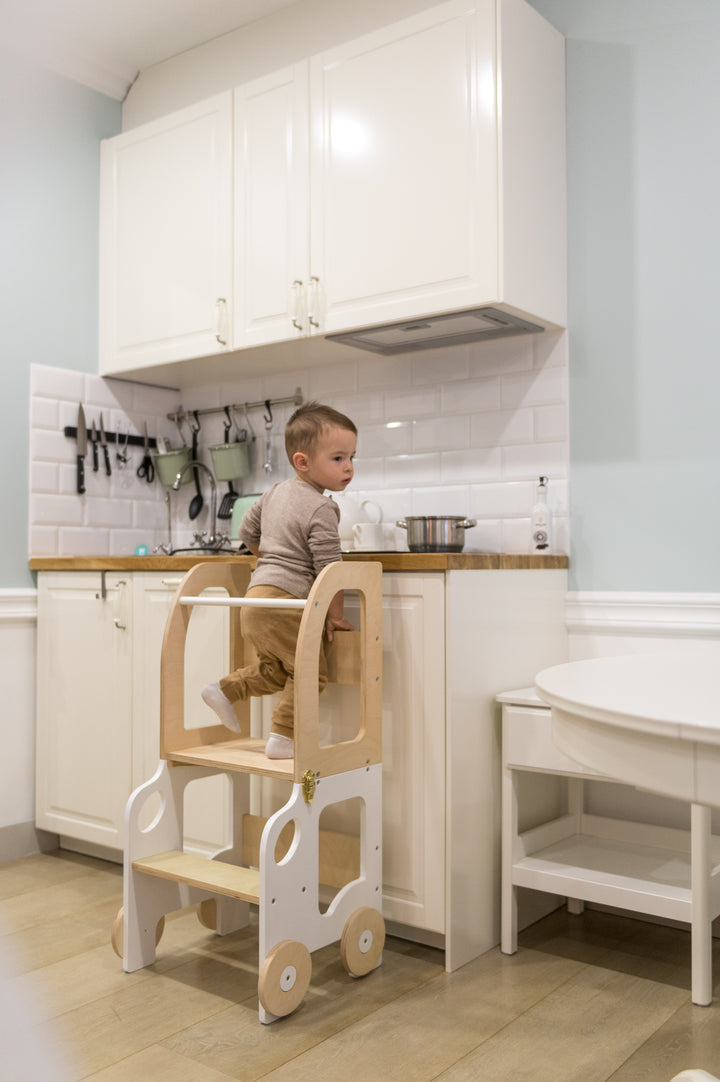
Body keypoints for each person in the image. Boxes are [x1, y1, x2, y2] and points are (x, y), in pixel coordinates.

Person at [201, 402, 357, 758]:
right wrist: (334, 616)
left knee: (277, 671)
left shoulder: (273, 493)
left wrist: (270, 561)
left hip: (256, 599)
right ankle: (284, 738)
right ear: (302, 461)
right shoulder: (322, 507)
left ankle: (224, 691)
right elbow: (330, 568)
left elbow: (246, 533)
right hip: (285, 602)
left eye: (351, 457)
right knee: (311, 673)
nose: (348, 466)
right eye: (338, 458)